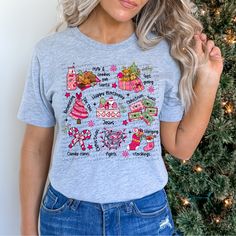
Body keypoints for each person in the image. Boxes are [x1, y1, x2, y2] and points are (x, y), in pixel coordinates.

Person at [17, 0, 224, 235]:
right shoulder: (50, 52)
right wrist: (27, 228)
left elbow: (181, 147)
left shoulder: (163, 54)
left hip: (144, 217)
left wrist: (209, 79)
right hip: (67, 218)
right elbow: (35, 147)